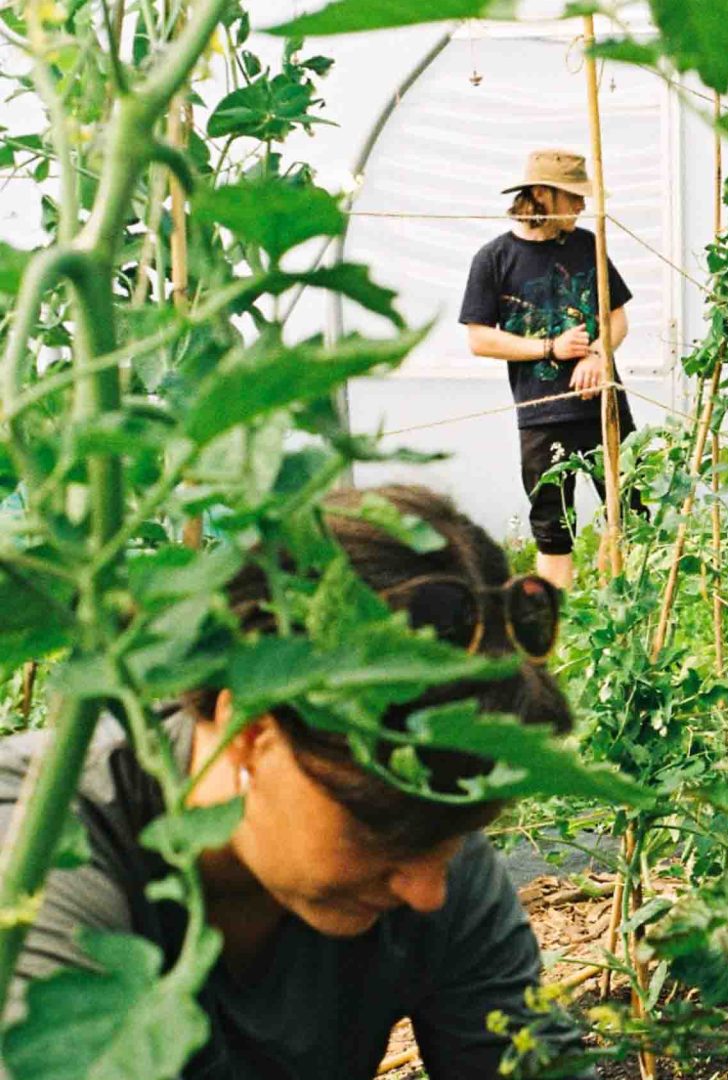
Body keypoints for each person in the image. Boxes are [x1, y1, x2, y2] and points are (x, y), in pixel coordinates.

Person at [0, 486, 579, 1079]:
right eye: (380, 832)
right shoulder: (35, 848)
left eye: (452, 836)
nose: (430, 890)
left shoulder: (429, 829)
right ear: (251, 729)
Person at [461, 147, 643, 589]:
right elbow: (479, 339)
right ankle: (558, 629)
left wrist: (598, 353)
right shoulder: (494, 259)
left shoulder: (586, 246)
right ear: (542, 194)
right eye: (573, 197)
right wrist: (550, 348)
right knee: (552, 533)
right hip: (542, 415)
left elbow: (618, 317)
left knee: (631, 517)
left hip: (605, 405)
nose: (582, 206)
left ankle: (625, 617)